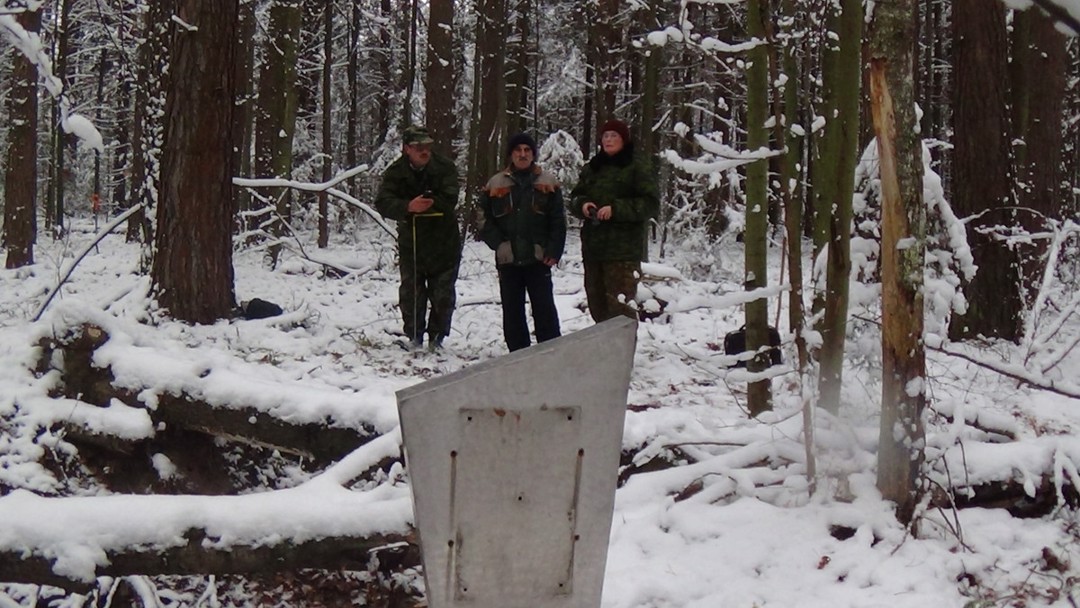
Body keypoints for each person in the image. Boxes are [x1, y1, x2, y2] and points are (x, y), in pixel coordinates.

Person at [375, 125, 461, 350]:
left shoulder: (444, 167)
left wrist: (429, 203)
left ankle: (437, 338)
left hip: (444, 241)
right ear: (407, 149)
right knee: (411, 293)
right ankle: (414, 336)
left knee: (443, 294)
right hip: (412, 242)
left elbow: (450, 199)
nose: (424, 151)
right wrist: (408, 206)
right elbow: (383, 202)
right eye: (418, 147)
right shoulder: (396, 172)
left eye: (427, 146)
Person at [480, 133, 567, 352]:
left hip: (539, 257)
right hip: (508, 259)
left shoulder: (548, 182)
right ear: (511, 154)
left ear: (533, 154)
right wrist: (498, 244)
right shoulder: (495, 184)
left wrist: (554, 250)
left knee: (545, 309)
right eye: (518, 150)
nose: (522, 154)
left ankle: (551, 353)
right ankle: (518, 355)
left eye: (527, 150)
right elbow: (483, 218)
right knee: (512, 312)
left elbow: (558, 220)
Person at [569, 118, 659, 323]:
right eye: (605, 136)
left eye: (614, 136)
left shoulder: (636, 166)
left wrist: (616, 209)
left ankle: (622, 345)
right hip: (593, 250)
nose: (608, 140)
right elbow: (575, 197)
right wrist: (583, 205)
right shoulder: (593, 167)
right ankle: (604, 345)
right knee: (597, 309)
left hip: (623, 254)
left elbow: (650, 203)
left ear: (623, 140)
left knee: (621, 312)